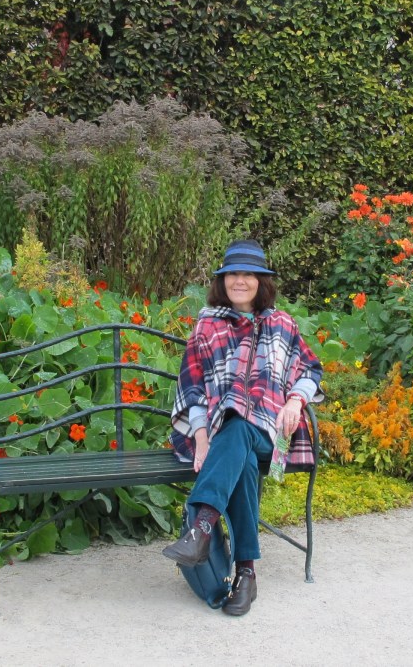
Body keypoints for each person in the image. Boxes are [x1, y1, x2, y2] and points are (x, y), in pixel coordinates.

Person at [163, 239, 324, 616]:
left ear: (260, 281)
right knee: (241, 452)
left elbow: (311, 370)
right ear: (222, 281)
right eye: (233, 273)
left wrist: (295, 401)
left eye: (248, 274)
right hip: (222, 437)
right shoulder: (207, 325)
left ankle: (203, 526)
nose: (240, 280)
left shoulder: (282, 324)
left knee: (241, 429)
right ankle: (246, 575)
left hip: (273, 433)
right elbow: (192, 387)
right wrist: (201, 437)